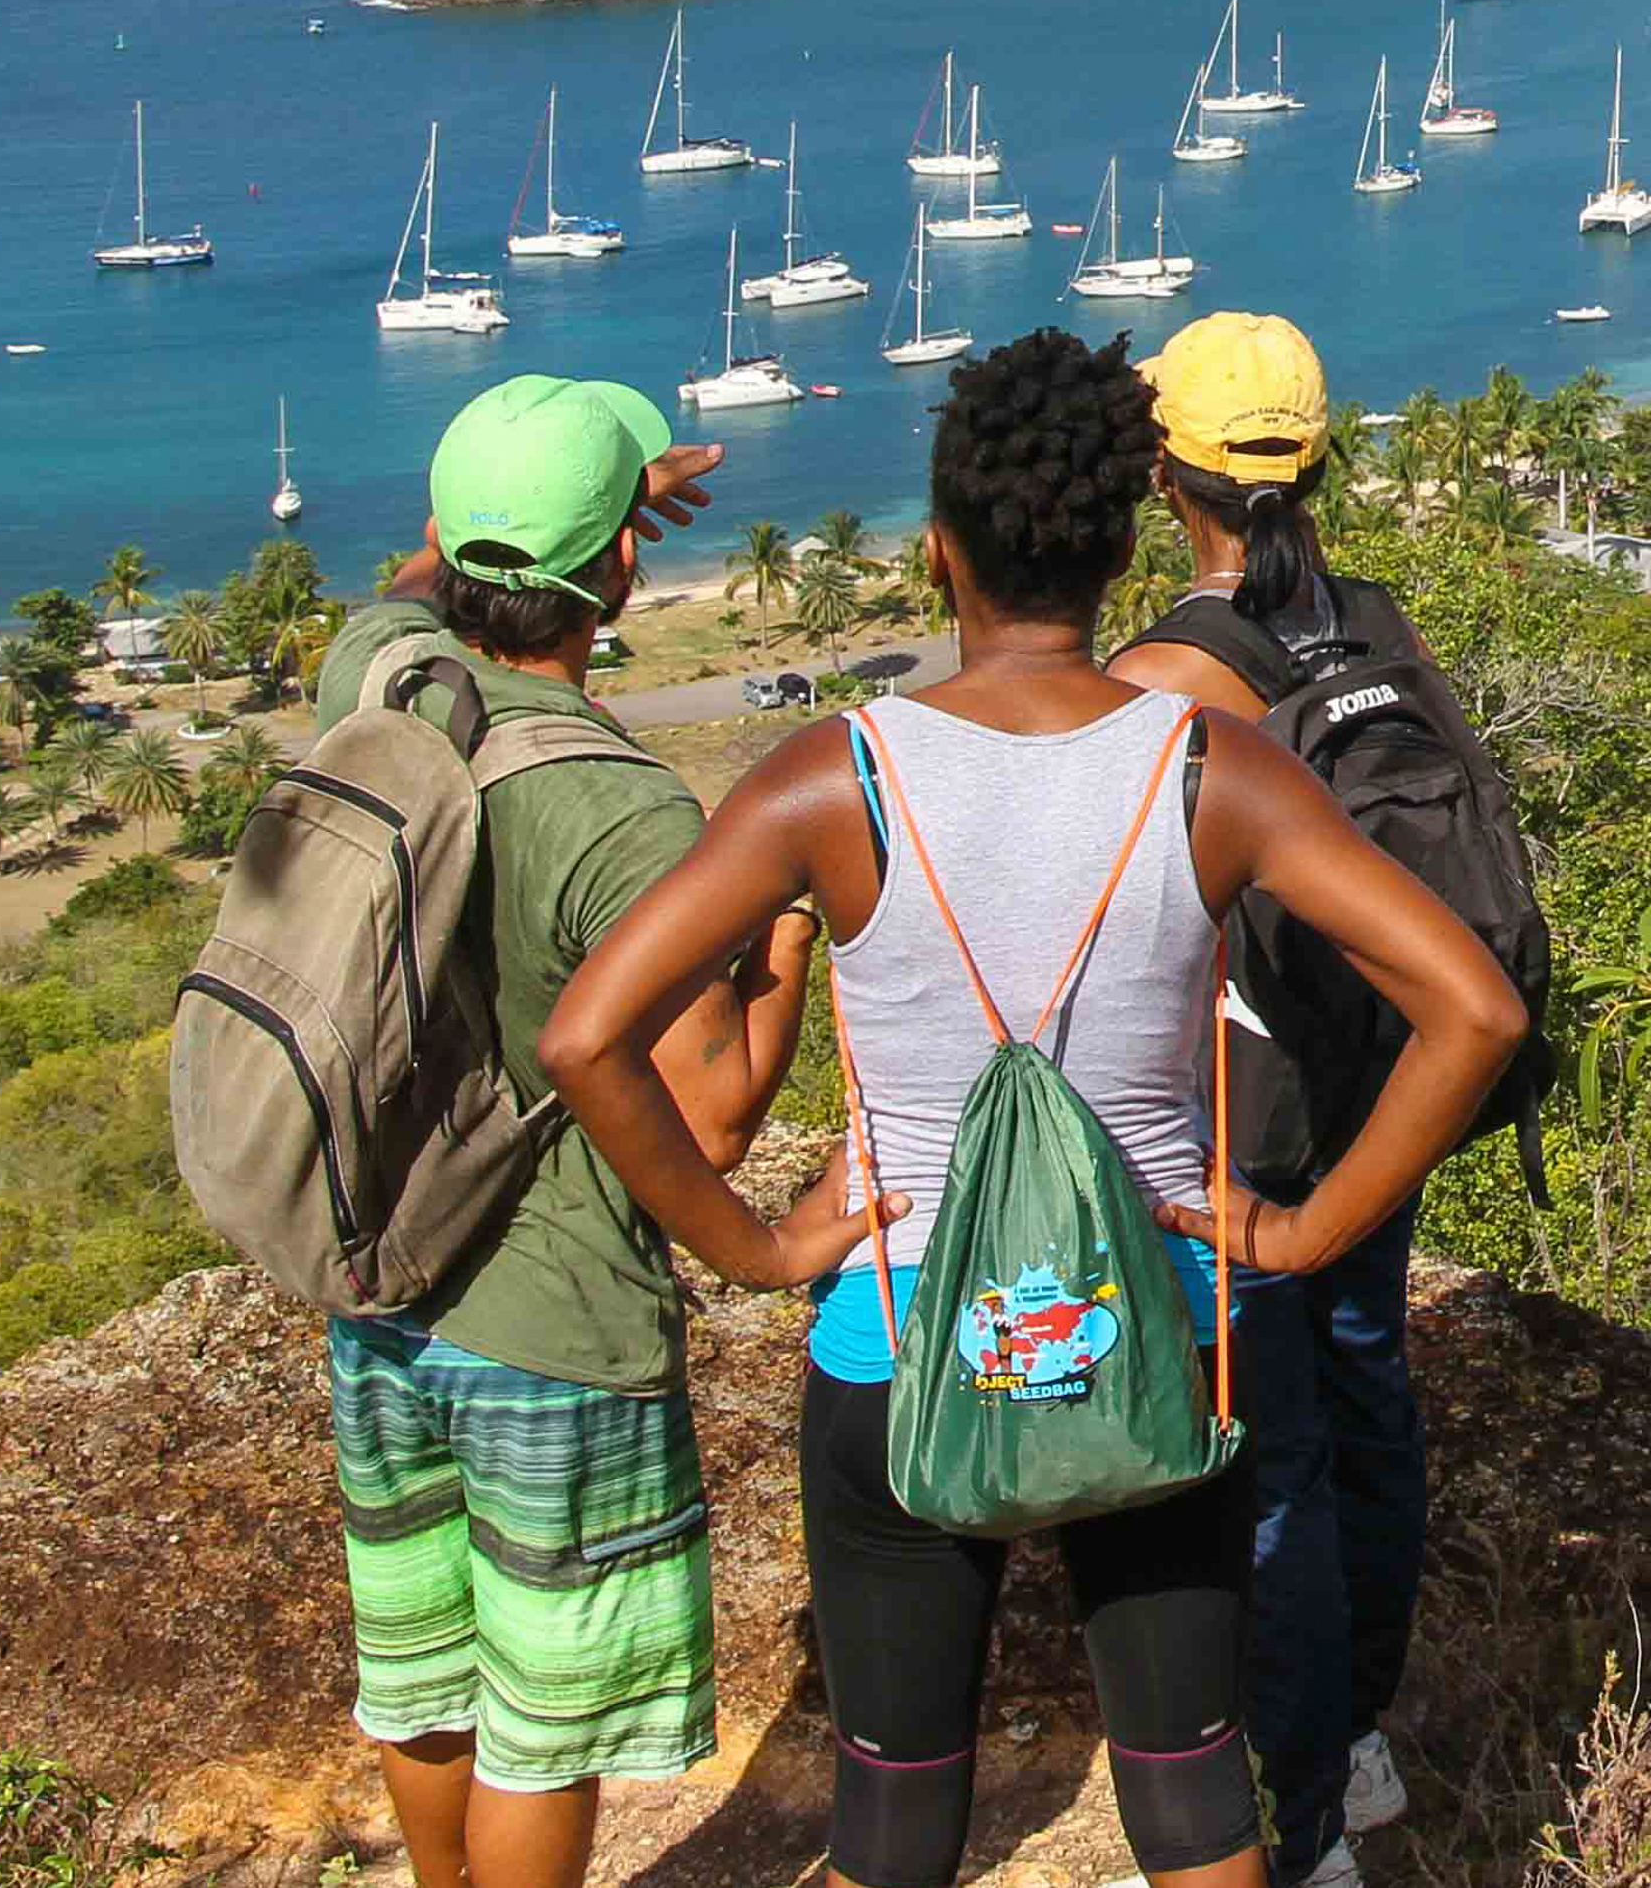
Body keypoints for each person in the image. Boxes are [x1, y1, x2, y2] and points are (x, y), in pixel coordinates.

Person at [539, 331, 1523, 1888]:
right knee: (1197, 1798)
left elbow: (589, 1037)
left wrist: (751, 1249)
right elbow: (1475, 1006)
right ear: (1123, 544)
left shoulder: (830, 777)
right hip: (1150, 1334)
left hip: (899, 1340)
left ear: (938, 556)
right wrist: (1304, 1226)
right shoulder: (1215, 766)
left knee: (895, 1802)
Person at [312, 379, 821, 1888]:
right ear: (615, 575)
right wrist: (784, 921)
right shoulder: (617, 808)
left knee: (422, 1669)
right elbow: (713, 1116)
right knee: (545, 1717)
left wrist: (545, 516)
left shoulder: (376, 679)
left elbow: (412, 581)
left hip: (378, 1287)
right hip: (555, 1322)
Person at [1106, 314, 1468, 1888]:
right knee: (1372, 1397)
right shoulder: (1376, 624)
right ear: (1315, 459)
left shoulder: (1165, 680)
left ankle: (1301, 1807)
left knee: (1279, 1462)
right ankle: (1363, 1733)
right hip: (1377, 1081)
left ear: (1165, 473)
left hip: (1238, 1117)